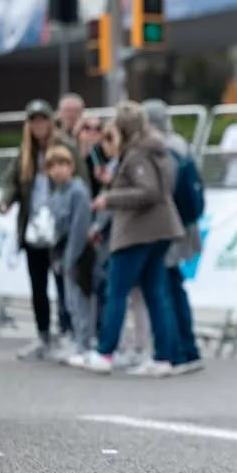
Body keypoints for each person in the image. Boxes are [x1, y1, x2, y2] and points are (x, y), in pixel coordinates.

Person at [67, 101, 184, 377]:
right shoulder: (155, 151)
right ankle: (163, 357)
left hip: (137, 231)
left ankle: (105, 352)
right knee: (156, 293)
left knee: (117, 291)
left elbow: (148, 191)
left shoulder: (137, 154)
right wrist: (114, 179)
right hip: (162, 228)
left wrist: (109, 198)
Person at [0, 99, 85, 361]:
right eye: (34, 121)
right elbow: (12, 180)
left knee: (63, 283)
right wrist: (7, 199)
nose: (38, 126)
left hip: (59, 229)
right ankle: (43, 334)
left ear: (51, 121)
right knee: (38, 285)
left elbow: (80, 181)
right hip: (34, 227)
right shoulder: (25, 153)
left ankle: (68, 332)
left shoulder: (64, 148)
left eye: (43, 120)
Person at [144, 99, 204, 374]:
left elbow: (161, 189)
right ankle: (188, 348)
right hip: (184, 222)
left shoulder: (162, 148)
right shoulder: (179, 143)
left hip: (169, 225)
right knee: (174, 285)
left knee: (165, 286)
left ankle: (178, 351)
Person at [44, 145, 95, 359]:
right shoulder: (55, 194)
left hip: (79, 253)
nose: (58, 170)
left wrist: (72, 256)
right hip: (61, 251)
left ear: (71, 167)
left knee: (81, 298)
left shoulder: (78, 192)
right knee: (69, 300)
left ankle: (85, 341)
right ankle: (76, 338)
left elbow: (79, 226)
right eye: (53, 166)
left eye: (63, 164)